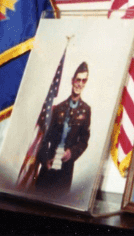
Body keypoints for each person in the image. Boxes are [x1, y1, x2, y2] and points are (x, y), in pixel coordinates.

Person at [35, 62, 92, 196]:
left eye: (84, 80)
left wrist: (71, 153)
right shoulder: (59, 108)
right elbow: (46, 137)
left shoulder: (86, 110)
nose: (80, 84)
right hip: (49, 163)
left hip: (65, 169)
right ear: (72, 81)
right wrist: (45, 160)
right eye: (78, 79)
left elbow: (84, 141)